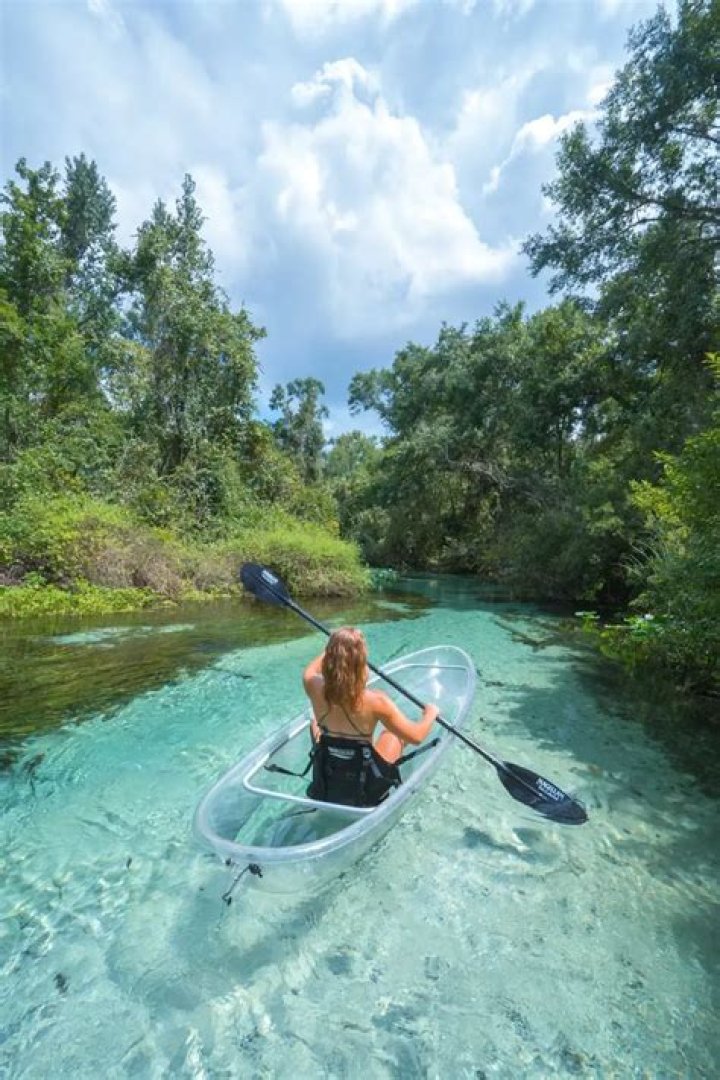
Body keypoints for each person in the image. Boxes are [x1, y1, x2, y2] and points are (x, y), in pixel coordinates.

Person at [302, 627, 439, 807]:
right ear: (360, 662)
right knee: (393, 735)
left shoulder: (312, 684)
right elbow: (416, 737)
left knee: (315, 724)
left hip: (328, 778)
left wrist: (337, 645)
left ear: (330, 656)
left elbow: (313, 668)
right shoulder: (377, 701)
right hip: (364, 785)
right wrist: (430, 714)